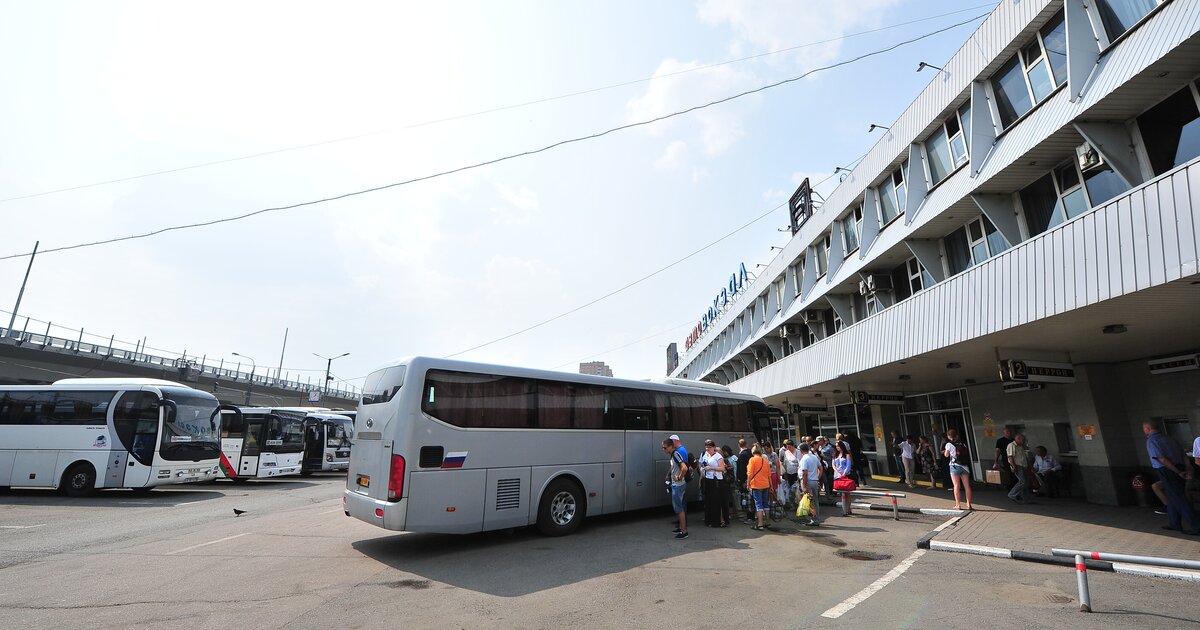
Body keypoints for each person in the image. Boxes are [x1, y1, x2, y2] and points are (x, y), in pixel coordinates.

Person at [1143, 422, 1199, 535]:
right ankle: (1174, 523)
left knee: (1180, 499)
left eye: (1144, 429)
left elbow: (1162, 459)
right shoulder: (1170, 438)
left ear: (1148, 429)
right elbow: (1184, 456)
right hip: (1180, 467)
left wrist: (1177, 472)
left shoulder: (1152, 441)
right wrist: (1187, 469)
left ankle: (1197, 526)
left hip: (1168, 470)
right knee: (1173, 495)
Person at [664, 438, 689, 539]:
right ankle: (681, 528)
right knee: (680, 507)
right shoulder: (674, 454)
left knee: (679, 508)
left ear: (670, 446)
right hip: (678, 485)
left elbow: (684, 468)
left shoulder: (675, 454)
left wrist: (679, 477)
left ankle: (684, 531)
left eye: (665, 447)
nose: (663, 449)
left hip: (678, 485)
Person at [699, 440, 728, 528]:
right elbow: (702, 464)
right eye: (706, 447)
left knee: (716, 502)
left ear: (714, 447)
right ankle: (709, 520)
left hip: (717, 481)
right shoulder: (705, 455)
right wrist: (702, 469)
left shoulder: (718, 456)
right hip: (708, 479)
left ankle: (717, 521)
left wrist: (711, 468)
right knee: (708, 501)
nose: (708, 448)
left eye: (710, 447)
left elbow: (722, 468)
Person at [944, 429, 973, 510]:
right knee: (967, 486)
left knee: (956, 485)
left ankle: (958, 504)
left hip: (954, 466)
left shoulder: (949, 444)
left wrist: (946, 451)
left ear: (949, 436)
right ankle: (969, 504)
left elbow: (946, 455)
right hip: (965, 466)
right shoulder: (963, 444)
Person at [745, 443, 771, 531]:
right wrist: (770, 486)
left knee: (758, 504)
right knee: (765, 504)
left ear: (752, 452)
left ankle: (760, 524)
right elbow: (769, 475)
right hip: (766, 484)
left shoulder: (752, 460)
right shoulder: (765, 461)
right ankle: (767, 522)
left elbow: (750, 473)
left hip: (756, 485)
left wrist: (748, 484)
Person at [798, 442, 822, 526]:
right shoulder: (814, 457)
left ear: (801, 450)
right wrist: (817, 478)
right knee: (815, 501)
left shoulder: (804, 459)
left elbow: (805, 472)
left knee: (809, 501)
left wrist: (804, 486)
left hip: (807, 481)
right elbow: (820, 468)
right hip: (814, 481)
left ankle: (814, 519)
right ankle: (816, 519)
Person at [1006, 433, 1034, 504]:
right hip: (1017, 465)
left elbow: (1025, 458)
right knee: (1022, 481)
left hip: (1024, 465)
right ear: (1017, 439)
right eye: (1022, 440)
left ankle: (1025, 499)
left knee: (1026, 483)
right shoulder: (1011, 445)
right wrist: (1013, 466)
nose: (1023, 441)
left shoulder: (1020, 447)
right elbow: (1010, 457)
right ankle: (1012, 494)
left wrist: (1030, 466)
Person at [737, 438, 754, 522]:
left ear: (739, 445)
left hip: (745, 480)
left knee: (747, 499)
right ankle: (751, 515)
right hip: (751, 479)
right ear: (746, 444)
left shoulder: (742, 455)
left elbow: (742, 470)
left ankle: (750, 517)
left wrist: (743, 481)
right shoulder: (750, 453)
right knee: (750, 498)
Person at [779, 440, 800, 506]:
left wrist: (799, 474)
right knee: (790, 490)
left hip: (796, 474)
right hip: (788, 473)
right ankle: (792, 504)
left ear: (793, 446)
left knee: (796, 490)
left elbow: (800, 463)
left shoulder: (798, 452)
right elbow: (784, 463)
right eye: (787, 447)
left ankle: (798, 503)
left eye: (790, 447)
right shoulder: (786, 452)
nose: (789, 449)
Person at [993, 427, 1015, 491]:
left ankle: (1014, 488)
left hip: (1015, 459)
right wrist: (996, 461)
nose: (1009, 433)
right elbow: (998, 451)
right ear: (1004, 433)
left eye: (1010, 431)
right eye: (1007, 432)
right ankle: (1010, 488)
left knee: (1014, 474)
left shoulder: (1013, 440)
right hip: (1006, 459)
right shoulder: (1000, 441)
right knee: (1009, 474)